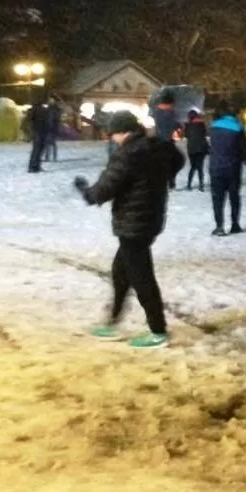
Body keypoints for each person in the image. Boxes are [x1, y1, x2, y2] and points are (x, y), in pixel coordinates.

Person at [74, 109, 183, 349]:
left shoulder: (127, 154)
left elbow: (104, 189)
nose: (111, 138)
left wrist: (85, 190)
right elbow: (178, 159)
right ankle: (112, 322)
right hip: (150, 218)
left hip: (134, 224)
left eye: (112, 134)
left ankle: (158, 330)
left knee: (142, 277)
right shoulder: (156, 147)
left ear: (123, 132)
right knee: (121, 273)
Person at [208, 101, 246, 235]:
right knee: (234, 197)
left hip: (215, 167)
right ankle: (235, 224)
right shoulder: (238, 128)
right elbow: (245, 149)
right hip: (233, 168)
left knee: (217, 198)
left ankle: (219, 226)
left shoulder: (213, 127)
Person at [183, 109, 209, 191]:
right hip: (200, 148)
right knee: (200, 167)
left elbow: (186, 135)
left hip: (191, 149)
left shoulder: (187, 125)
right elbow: (204, 134)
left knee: (193, 167)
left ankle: (189, 184)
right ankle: (201, 185)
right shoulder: (201, 124)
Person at [26, 98, 50, 173]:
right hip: (41, 132)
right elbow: (47, 121)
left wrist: (31, 132)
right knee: (39, 150)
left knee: (36, 150)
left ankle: (33, 166)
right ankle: (35, 166)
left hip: (37, 132)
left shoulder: (32, 110)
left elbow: (29, 122)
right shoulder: (43, 110)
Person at [44, 95, 63, 162]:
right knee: (48, 143)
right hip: (49, 128)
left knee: (51, 143)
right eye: (49, 100)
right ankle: (49, 157)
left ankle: (52, 157)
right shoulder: (49, 109)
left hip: (53, 128)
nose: (49, 101)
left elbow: (56, 119)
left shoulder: (55, 109)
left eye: (51, 100)